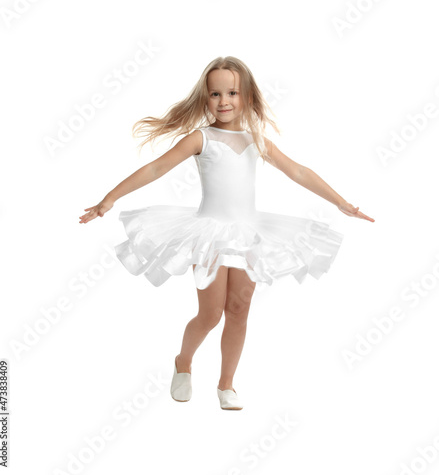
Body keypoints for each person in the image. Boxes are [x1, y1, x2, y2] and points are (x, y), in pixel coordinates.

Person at [79, 56, 375, 410]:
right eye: (215, 94)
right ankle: (183, 362)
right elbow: (157, 167)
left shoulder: (256, 140)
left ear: (247, 97)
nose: (223, 101)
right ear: (205, 99)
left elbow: (297, 171)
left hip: (249, 233)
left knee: (239, 308)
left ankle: (226, 384)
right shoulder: (201, 138)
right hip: (210, 234)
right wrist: (109, 198)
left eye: (232, 92)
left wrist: (340, 202)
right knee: (211, 313)